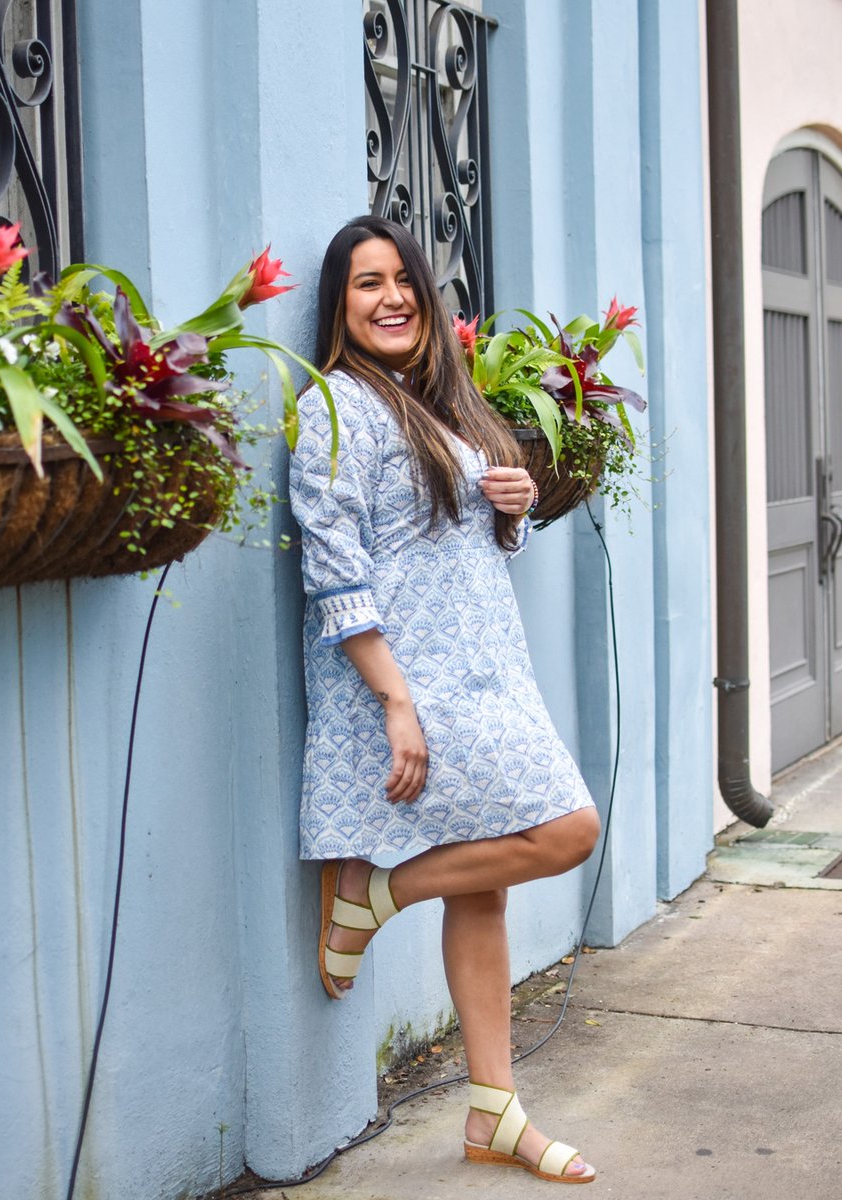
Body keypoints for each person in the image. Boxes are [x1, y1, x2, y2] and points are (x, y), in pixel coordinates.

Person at [289, 215, 601, 1184]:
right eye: (364, 284)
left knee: (489, 885)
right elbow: (332, 563)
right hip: (415, 680)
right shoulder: (337, 406)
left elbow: (458, 541)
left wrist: (508, 506)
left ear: (426, 297)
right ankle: (375, 894)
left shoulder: (443, 405)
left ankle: (492, 1111)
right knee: (569, 829)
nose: (390, 298)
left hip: (487, 670)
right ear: (339, 308)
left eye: (403, 282)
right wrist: (393, 700)